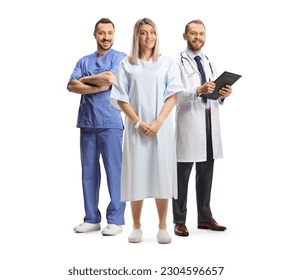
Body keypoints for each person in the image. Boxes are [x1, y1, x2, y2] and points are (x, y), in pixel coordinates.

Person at [110, 18, 183, 244]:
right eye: (144, 33)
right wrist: (139, 123)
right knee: (136, 174)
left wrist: (159, 121)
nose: (149, 37)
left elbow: (173, 95)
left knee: (162, 174)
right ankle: (137, 226)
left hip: (161, 128)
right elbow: (121, 97)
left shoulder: (168, 63)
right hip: (136, 129)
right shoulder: (127, 64)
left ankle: (162, 226)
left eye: (152, 32)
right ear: (137, 36)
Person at [173, 19, 233, 237]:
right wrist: (197, 90)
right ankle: (179, 220)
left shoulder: (208, 61)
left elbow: (214, 93)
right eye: (193, 34)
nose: (197, 38)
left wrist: (223, 95)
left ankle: (205, 217)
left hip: (209, 121)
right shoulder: (176, 63)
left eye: (201, 34)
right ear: (185, 36)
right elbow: (173, 95)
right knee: (182, 176)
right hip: (189, 125)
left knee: (206, 172)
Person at [67, 18, 126, 236]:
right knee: (88, 172)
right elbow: (71, 85)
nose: (106, 37)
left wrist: (86, 82)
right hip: (87, 122)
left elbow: (111, 78)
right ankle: (91, 218)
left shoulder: (120, 58)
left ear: (114, 34)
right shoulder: (84, 60)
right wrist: (98, 85)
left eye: (110, 33)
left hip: (110, 122)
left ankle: (116, 219)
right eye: (102, 33)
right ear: (95, 35)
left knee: (115, 171)